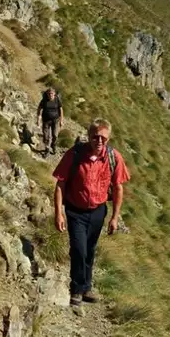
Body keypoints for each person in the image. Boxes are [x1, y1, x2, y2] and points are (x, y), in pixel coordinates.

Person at [52, 118, 130, 309]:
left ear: (108, 138)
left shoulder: (113, 157)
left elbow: (118, 188)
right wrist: (58, 213)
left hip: (98, 211)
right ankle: (77, 289)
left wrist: (114, 217)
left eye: (103, 137)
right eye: (95, 137)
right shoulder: (75, 154)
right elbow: (60, 184)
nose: (99, 141)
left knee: (89, 249)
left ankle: (87, 286)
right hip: (75, 210)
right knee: (79, 249)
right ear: (89, 136)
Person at [36, 87, 64, 155]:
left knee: (55, 135)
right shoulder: (44, 100)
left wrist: (61, 121)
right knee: (46, 136)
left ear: (54, 94)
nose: (50, 95)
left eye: (52, 93)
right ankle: (47, 149)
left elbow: (61, 110)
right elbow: (39, 110)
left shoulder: (57, 100)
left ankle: (53, 145)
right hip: (46, 120)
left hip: (55, 120)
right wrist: (38, 120)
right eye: (49, 94)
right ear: (47, 94)